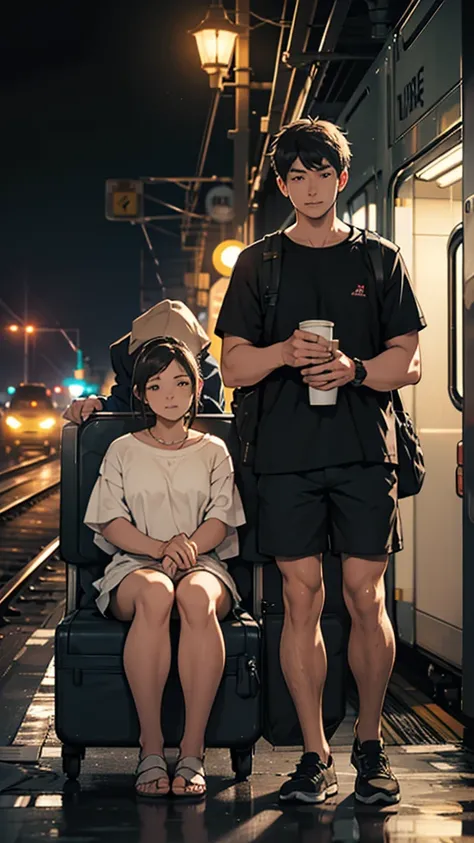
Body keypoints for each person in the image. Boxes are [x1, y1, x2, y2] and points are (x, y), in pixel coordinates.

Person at [215, 118, 426, 806]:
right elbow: (233, 365)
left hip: (367, 451)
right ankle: (314, 752)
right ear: (282, 185)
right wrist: (285, 354)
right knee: (300, 599)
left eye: (321, 173)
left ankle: (369, 744)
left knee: (365, 596)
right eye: (295, 176)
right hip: (284, 456)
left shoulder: (378, 258)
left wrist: (355, 368)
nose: (309, 187)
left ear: (341, 178)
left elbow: (410, 360)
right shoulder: (259, 263)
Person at [84, 337, 244, 799]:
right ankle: (151, 748)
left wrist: (187, 549)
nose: (170, 395)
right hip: (135, 565)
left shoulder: (214, 449)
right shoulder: (123, 449)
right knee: (157, 592)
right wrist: (161, 549)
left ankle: (192, 751)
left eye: (179, 382)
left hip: (203, 562)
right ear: (141, 393)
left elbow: (221, 517)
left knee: (193, 595)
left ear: (197, 387)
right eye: (156, 385)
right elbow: (111, 521)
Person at [64, 299, 225, 423]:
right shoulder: (130, 371)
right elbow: (123, 403)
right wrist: (97, 407)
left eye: (181, 382)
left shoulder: (207, 373)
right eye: (155, 385)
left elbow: (213, 417)